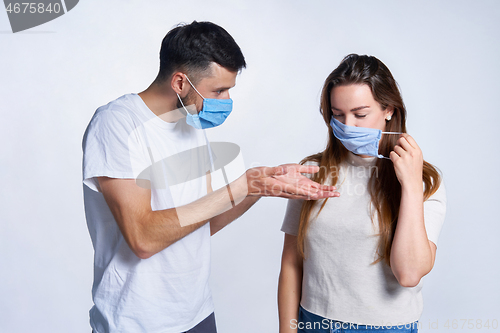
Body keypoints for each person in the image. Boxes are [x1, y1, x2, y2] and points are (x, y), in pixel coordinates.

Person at [82, 21, 338, 333]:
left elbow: (201, 224)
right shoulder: (117, 124)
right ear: (180, 82)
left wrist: (258, 186)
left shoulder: (189, 125)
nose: (226, 100)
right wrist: (239, 186)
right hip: (137, 322)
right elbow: (144, 238)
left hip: (197, 314)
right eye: (218, 90)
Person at [278, 54, 446, 333]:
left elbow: (409, 274)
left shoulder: (426, 181)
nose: (348, 126)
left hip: (385, 327)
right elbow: (291, 264)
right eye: (338, 115)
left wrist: (412, 187)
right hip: (313, 322)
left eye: (360, 114)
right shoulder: (312, 170)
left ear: (389, 109)